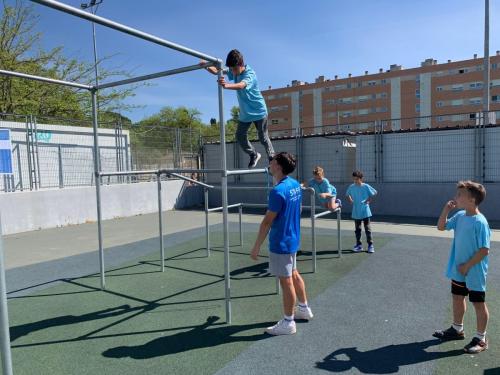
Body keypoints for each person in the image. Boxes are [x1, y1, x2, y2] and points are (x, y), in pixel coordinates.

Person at [250, 152, 313, 335]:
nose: (269, 164)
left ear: (278, 166)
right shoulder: (294, 185)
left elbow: (267, 222)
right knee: (293, 274)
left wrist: (256, 247)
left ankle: (288, 322)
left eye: (272, 161)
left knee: (286, 282)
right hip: (292, 239)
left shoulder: (278, 192)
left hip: (281, 243)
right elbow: (298, 208)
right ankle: (304, 308)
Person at [433, 181, 491, 354]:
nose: (456, 197)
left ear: (472, 200)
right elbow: (441, 227)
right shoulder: (459, 216)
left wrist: (467, 265)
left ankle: (481, 339)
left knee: (478, 303)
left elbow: (484, 250)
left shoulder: (480, 222)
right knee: (457, 298)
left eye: (460, 195)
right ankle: (457, 329)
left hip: (474, 272)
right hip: (459, 270)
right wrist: (446, 210)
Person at [201, 49, 274, 168]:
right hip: (245, 113)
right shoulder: (232, 71)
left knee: (263, 137)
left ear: (241, 64)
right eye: (231, 70)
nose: (233, 73)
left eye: (235, 69)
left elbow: (241, 85)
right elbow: (217, 71)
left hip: (259, 111)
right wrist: (205, 66)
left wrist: (226, 85)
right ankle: (254, 154)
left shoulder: (250, 74)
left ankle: (272, 158)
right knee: (240, 136)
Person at [345, 170, 377, 253]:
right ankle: (359, 245)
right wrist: (351, 200)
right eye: (354, 179)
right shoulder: (352, 187)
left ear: (361, 178)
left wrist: (368, 200)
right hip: (356, 211)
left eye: (357, 179)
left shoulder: (366, 186)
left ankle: (370, 245)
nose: (355, 181)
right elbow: (347, 194)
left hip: (365, 210)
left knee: (367, 229)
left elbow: (374, 193)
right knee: (357, 229)